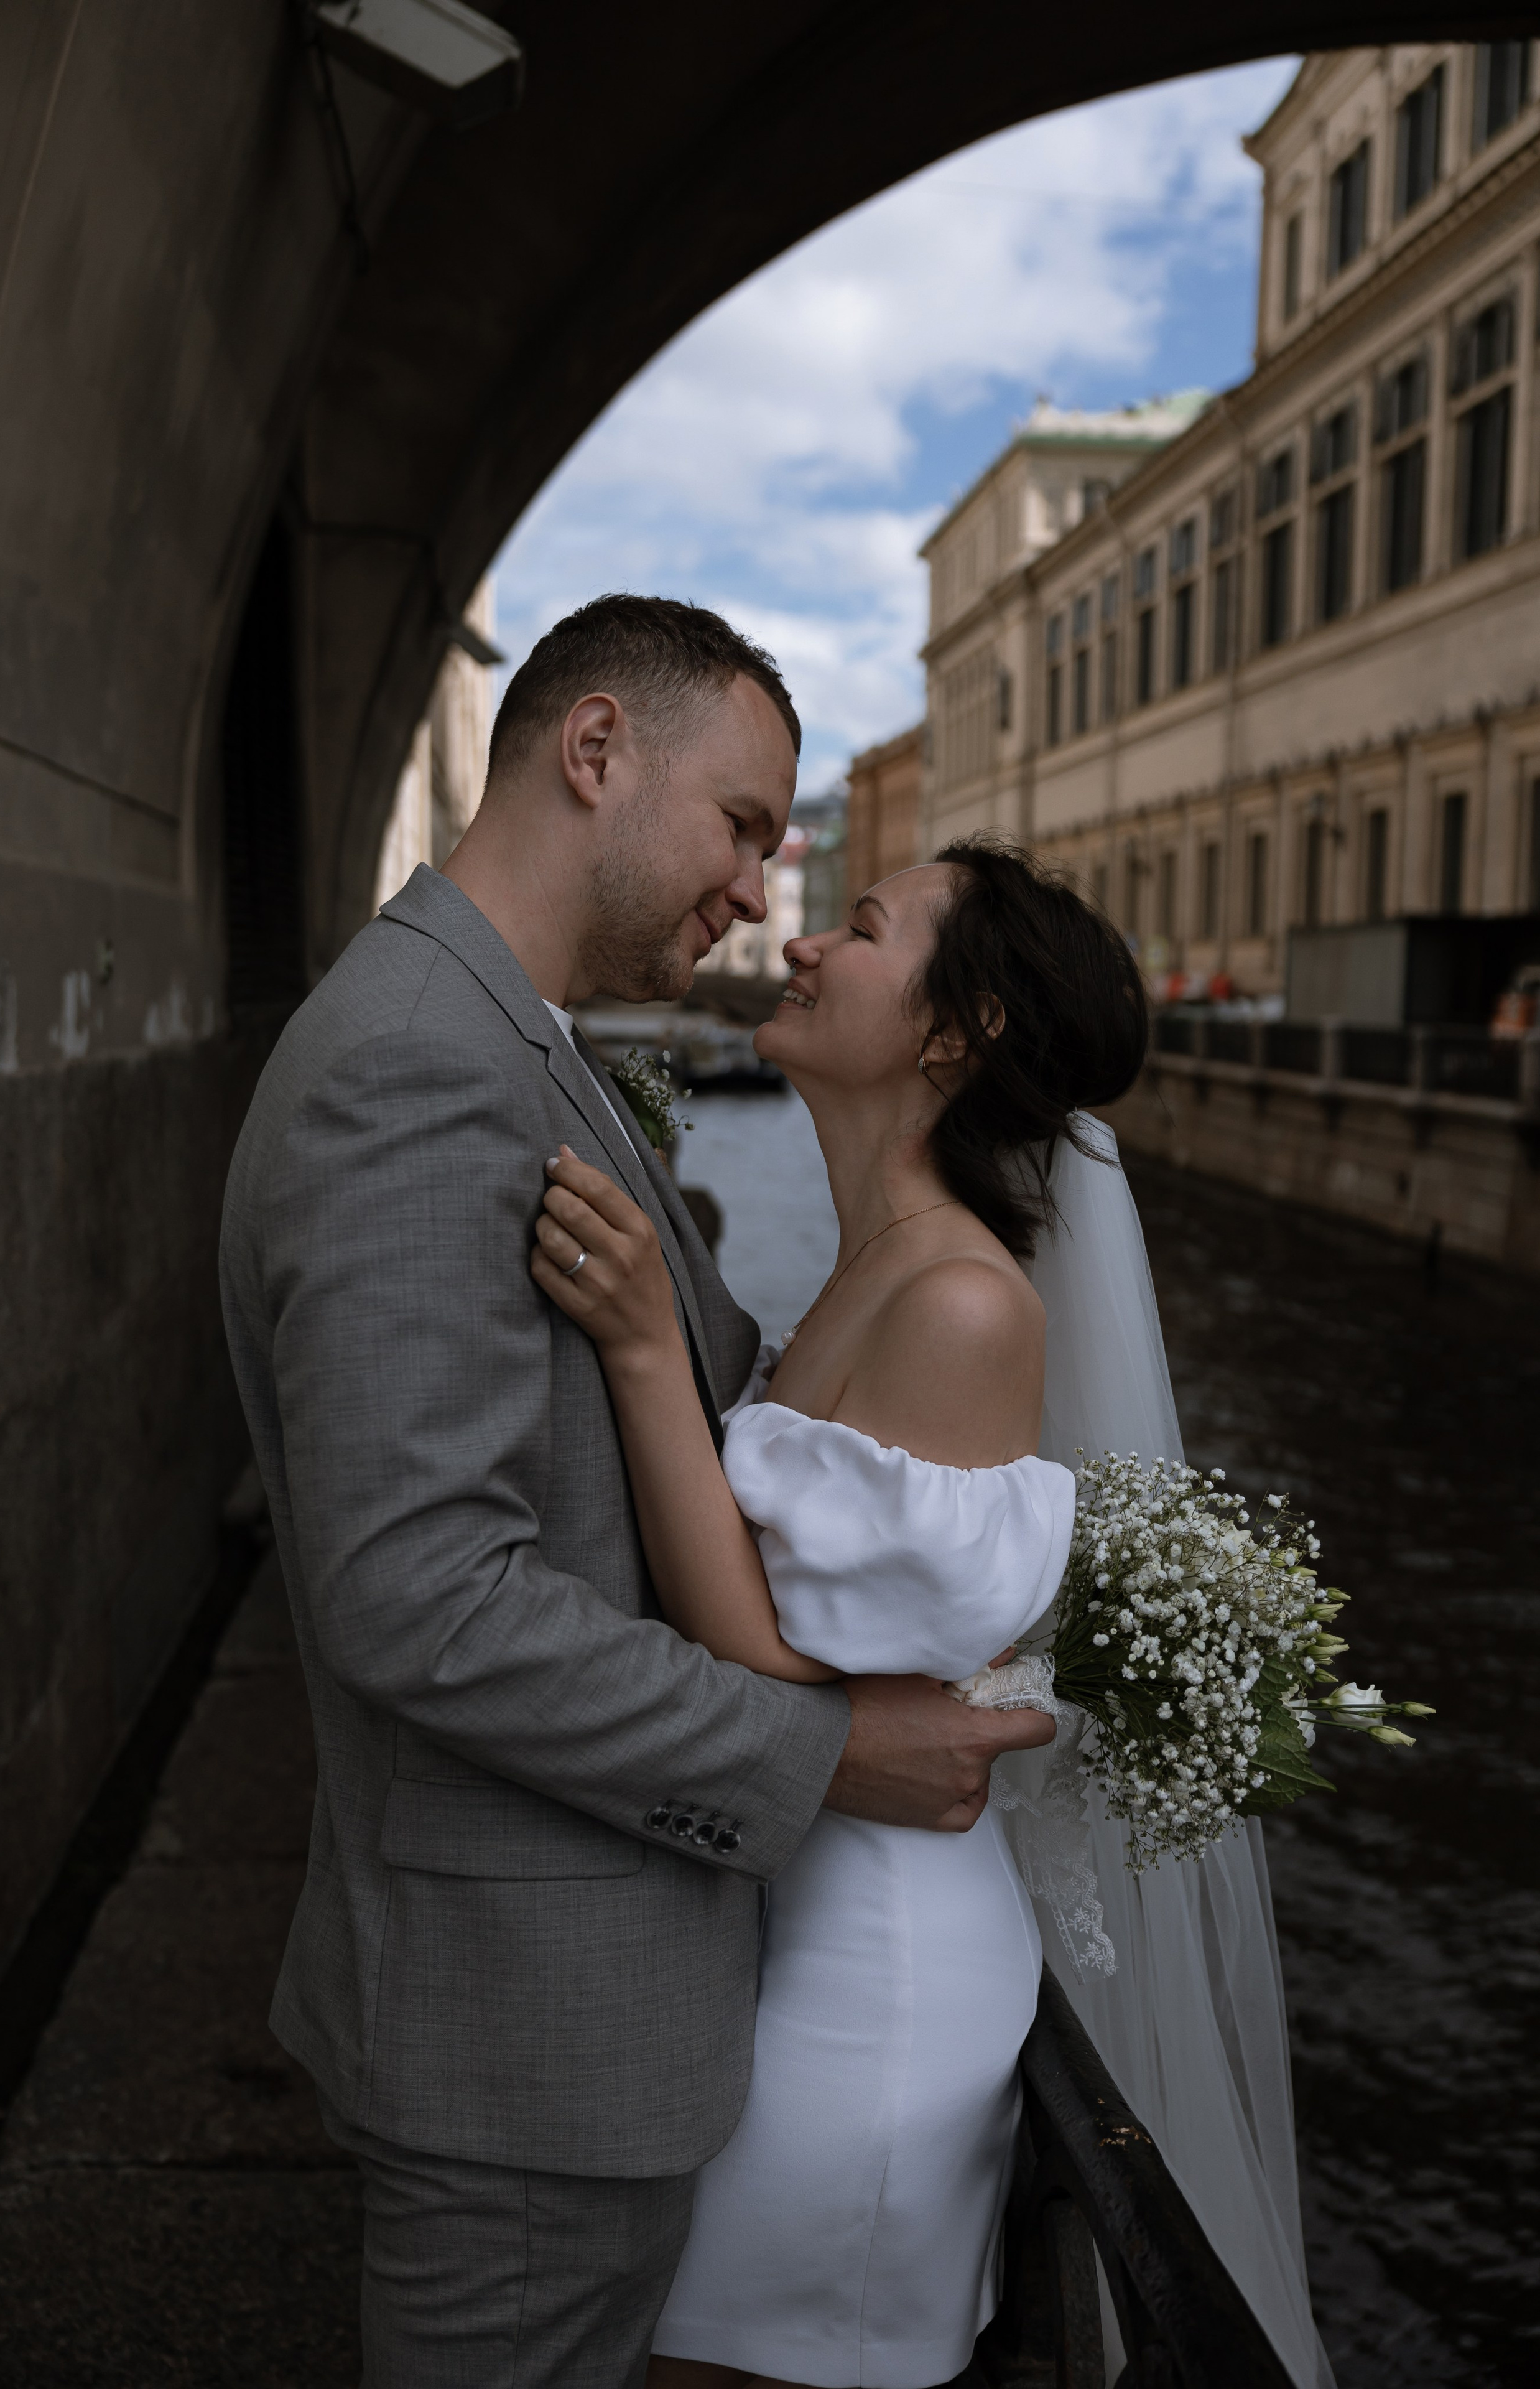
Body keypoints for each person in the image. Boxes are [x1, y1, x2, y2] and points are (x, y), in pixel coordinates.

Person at [218, 595, 1055, 2389]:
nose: (764, 895)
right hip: (524, 2038)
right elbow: (419, 1595)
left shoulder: (515, 1042)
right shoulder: (418, 1070)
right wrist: (823, 1754)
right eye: (749, 828)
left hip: (577, 2014)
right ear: (596, 753)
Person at [532, 840, 1334, 2389]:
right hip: (797, 1928)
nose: (805, 945)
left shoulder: (963, 1305)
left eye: (865, 928)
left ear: (955, 1033)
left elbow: (754, 1654)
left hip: (871, 1992)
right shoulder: (880, 1270)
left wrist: (644, 1352)